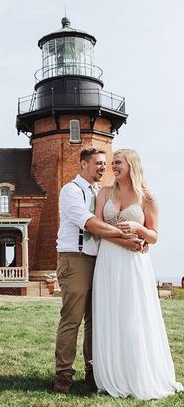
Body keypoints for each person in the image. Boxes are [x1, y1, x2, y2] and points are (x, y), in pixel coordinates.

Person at [92, 149, 183, 399]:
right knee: (110, 314)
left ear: (131, 164)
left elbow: (153, 236)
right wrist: (123, 239)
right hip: (108, 260)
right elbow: (98, 228)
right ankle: (112, 375)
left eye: (118, 162)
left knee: (133, 315)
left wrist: (137, 227)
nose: (113, 167)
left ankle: (138, 374)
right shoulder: (103, 193)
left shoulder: (148, 197)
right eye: (112, 163)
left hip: (134, 264)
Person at [53, 147, 142, 395]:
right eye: (98, 163)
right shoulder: (71, 190)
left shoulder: (101, 192)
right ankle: (63, 375)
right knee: (72, 320)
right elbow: (90, 223)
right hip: (76, 259)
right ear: (83, 164)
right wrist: (125, 234)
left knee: (97, 320)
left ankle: (93, 371)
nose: (103, 167)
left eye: (106, 163)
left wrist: (134, 240)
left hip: (101, 260)